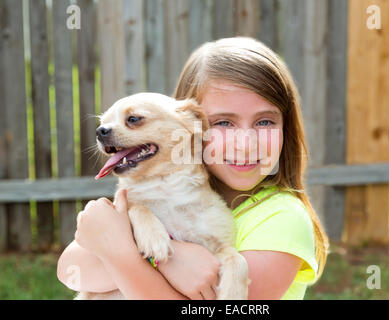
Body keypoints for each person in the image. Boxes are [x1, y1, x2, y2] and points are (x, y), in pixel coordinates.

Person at [57, 37, 329, 300]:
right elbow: (71, 272)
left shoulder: (283, 218)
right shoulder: (149, 197)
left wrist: (139, 253)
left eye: (265, 122)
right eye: (223, 123)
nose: (246, 143)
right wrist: (159, 253)